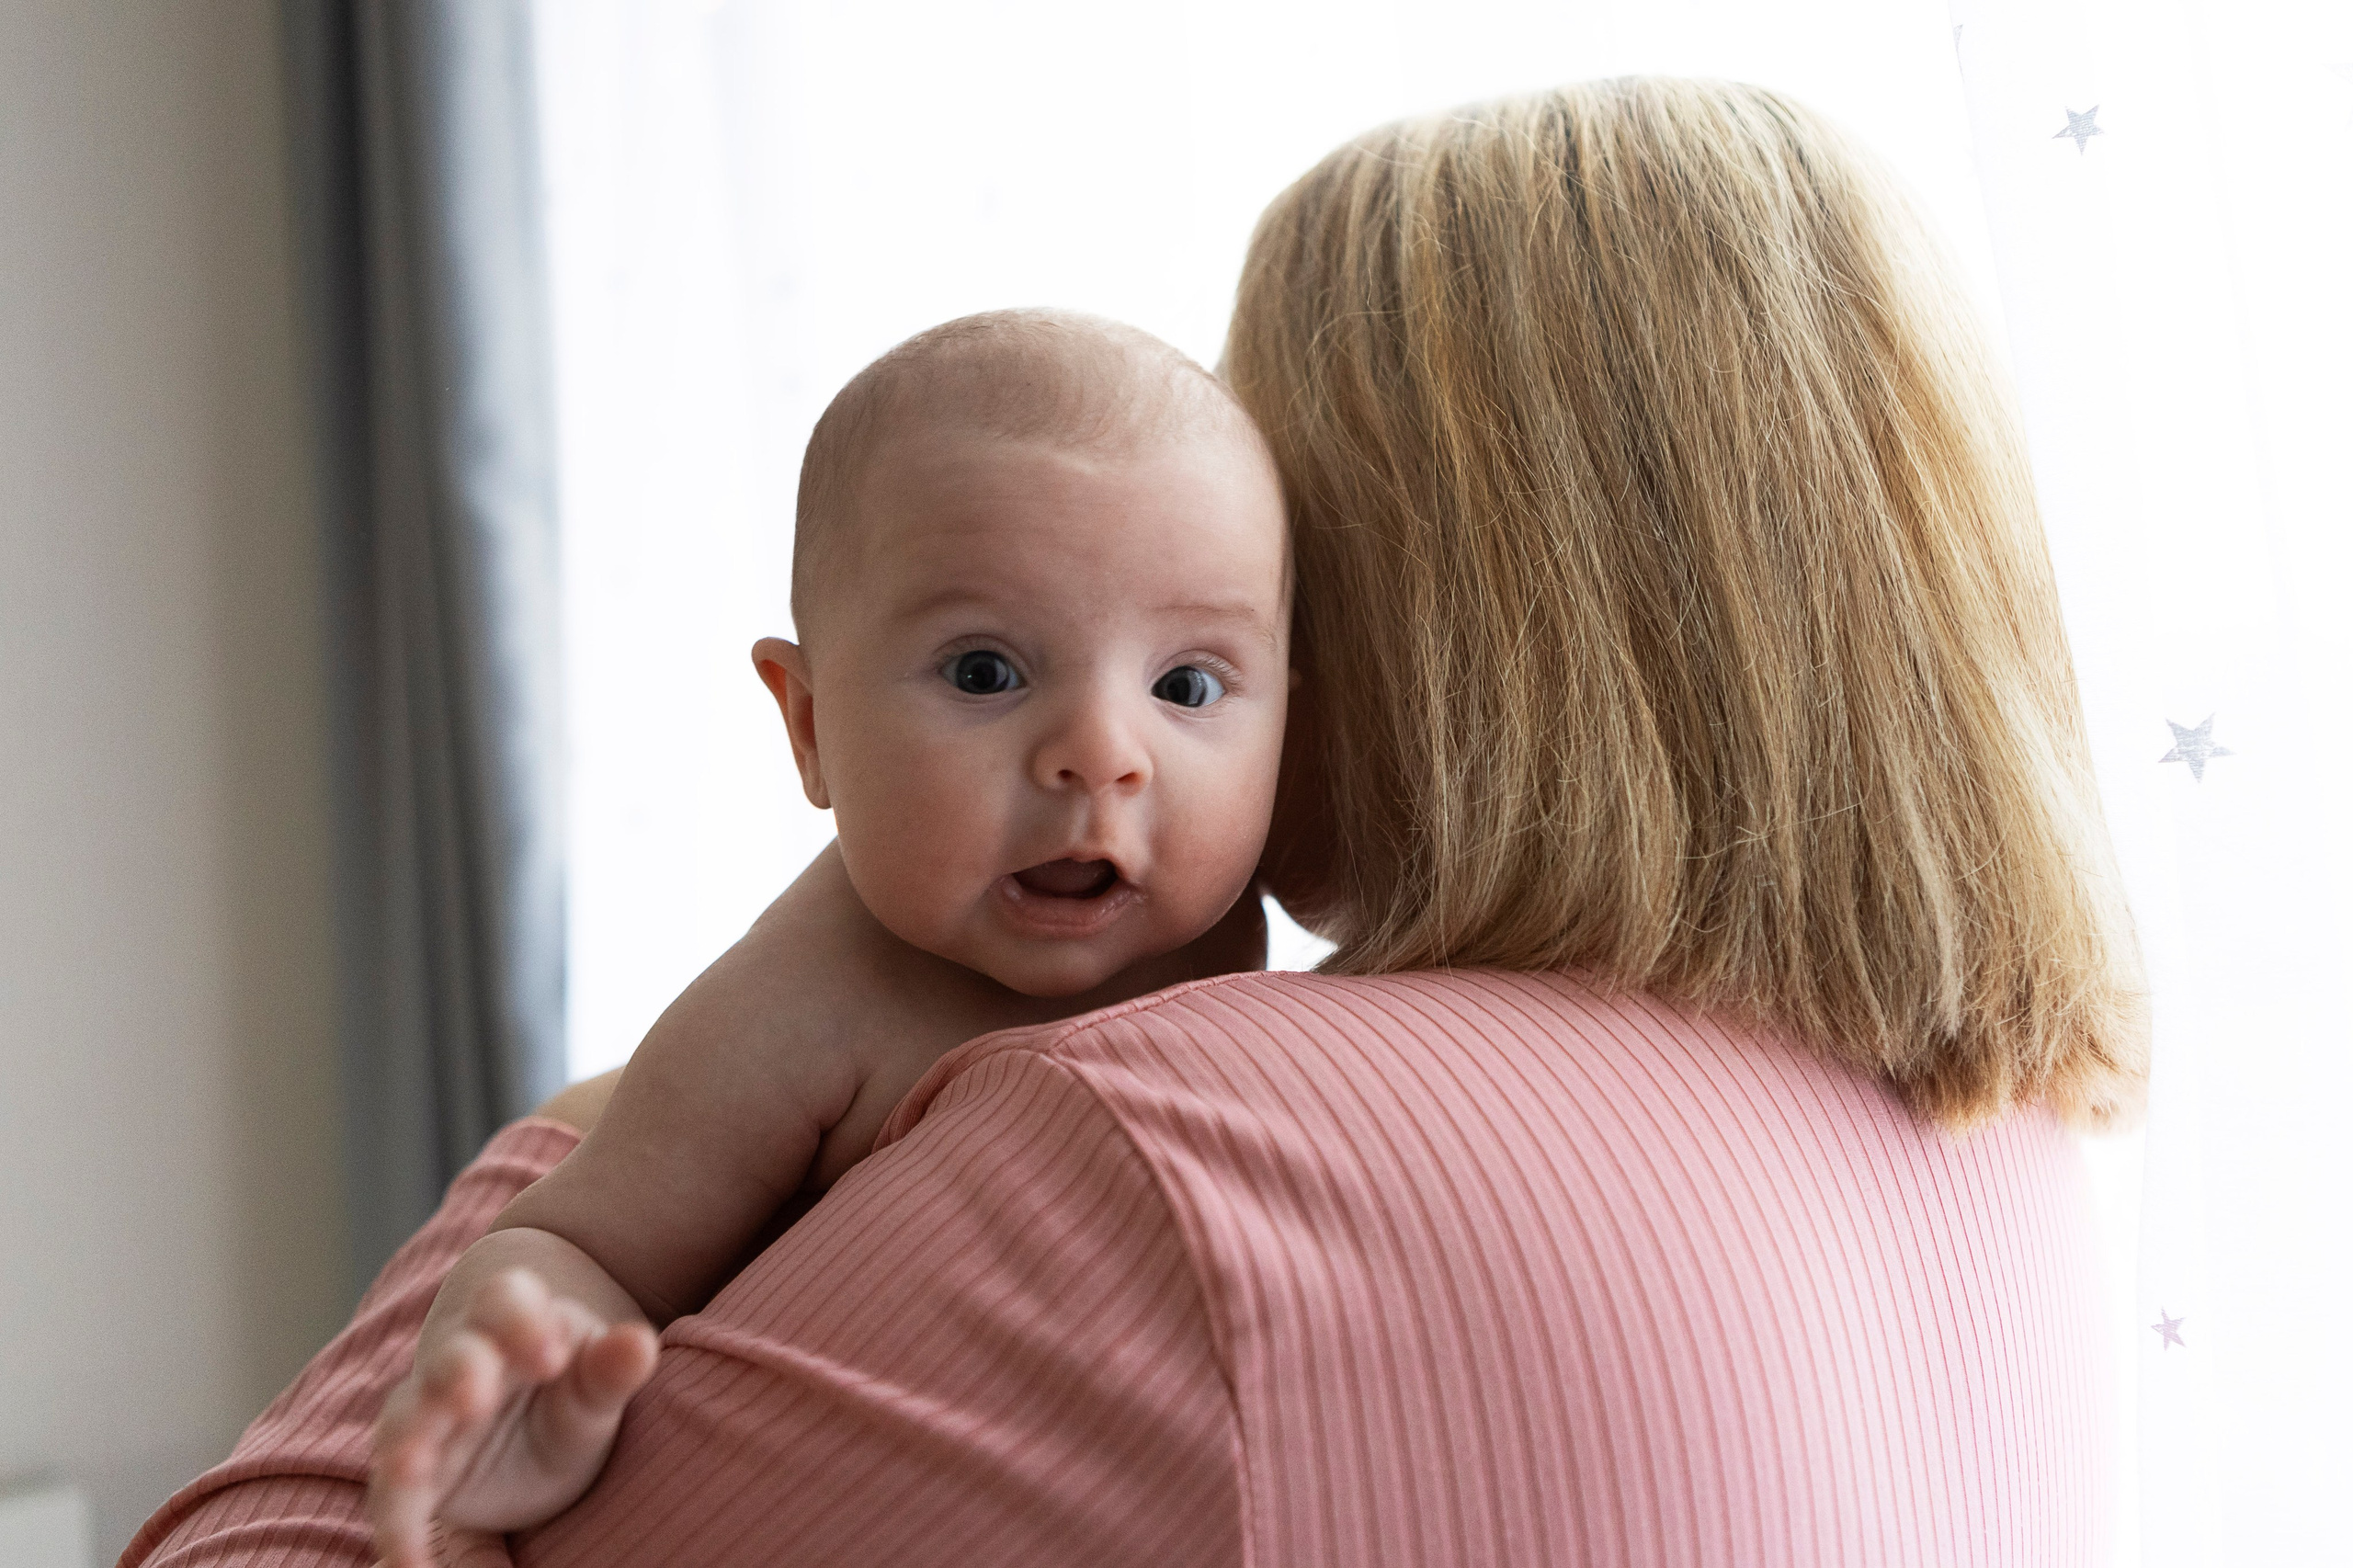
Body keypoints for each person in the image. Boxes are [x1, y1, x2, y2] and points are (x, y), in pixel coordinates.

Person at [123, 76, 2145, 1568]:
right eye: (995, 664)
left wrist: (592, 1137)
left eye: (1212, 644)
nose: (1105, 754)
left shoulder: (1160, 1146)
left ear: (1407, 600)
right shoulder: (2004, 1148)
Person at [363, 310, 1294, 1566]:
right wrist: (524, 1359)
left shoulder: (1232, 922)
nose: (1101, 752)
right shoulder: (812, 996)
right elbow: (575, 1238)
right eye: (985, 672)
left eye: (1186, 685)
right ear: (808, 725)